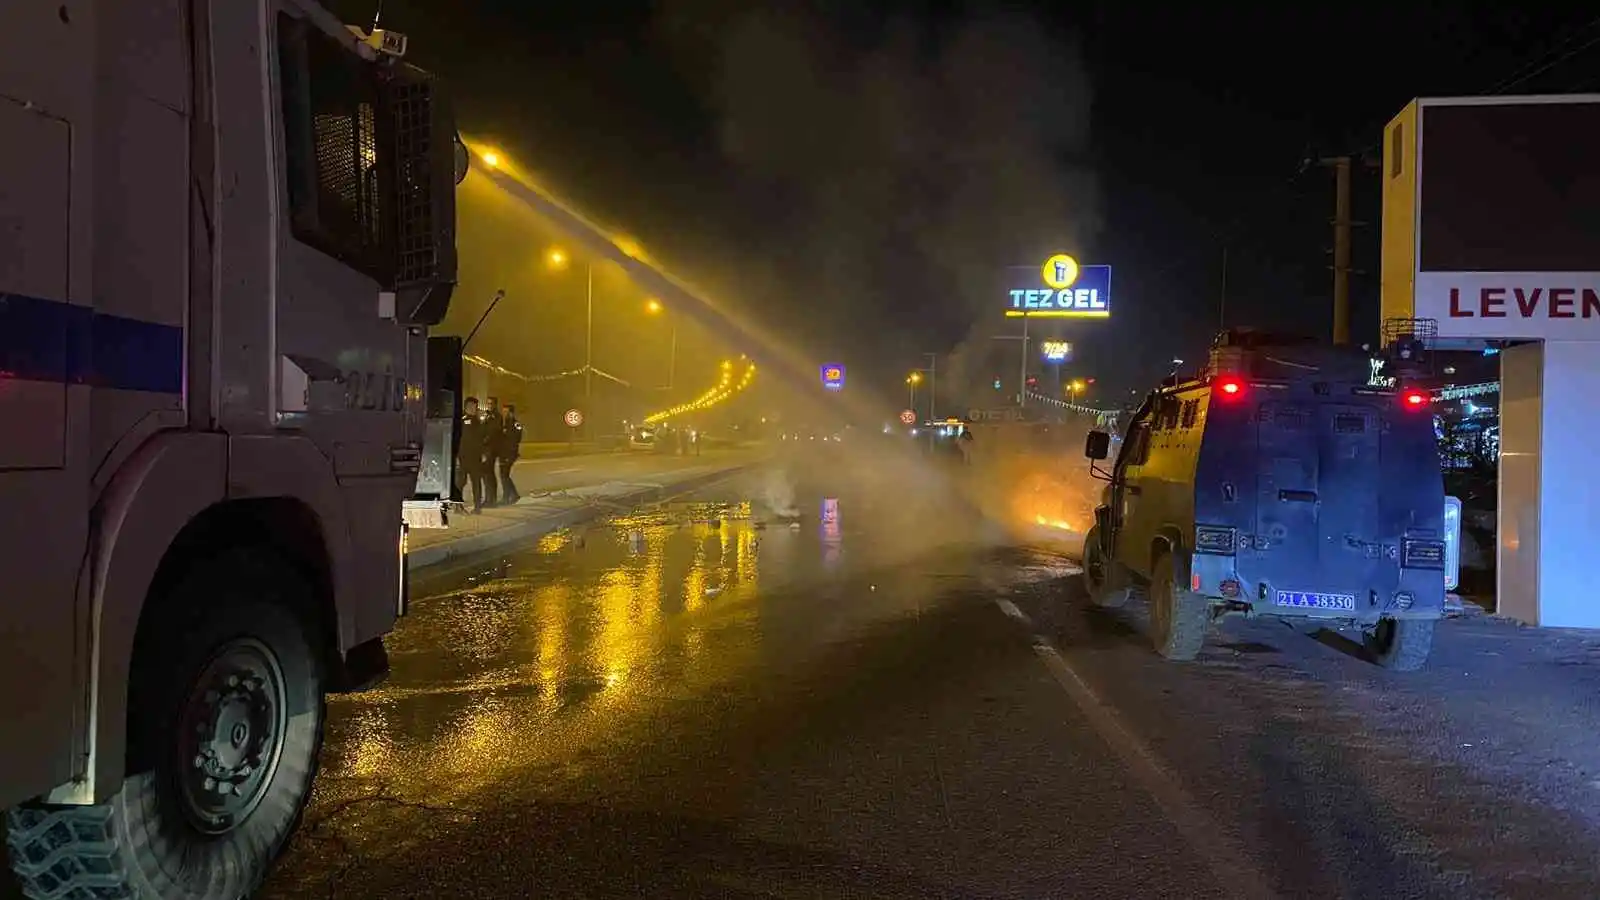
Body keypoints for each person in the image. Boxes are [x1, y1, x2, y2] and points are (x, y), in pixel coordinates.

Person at [457, 397, 489, 513]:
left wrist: (483, 452)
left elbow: (482, 437)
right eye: (472, 406)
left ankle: (477, 506)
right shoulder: (463, 419)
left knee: (476, 482)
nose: (474, 408)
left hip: (475, 457)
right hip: (464, 456)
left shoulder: (476, 420)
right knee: (461, 482)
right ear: (467, 407)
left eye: (475, 406)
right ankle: (458, 506)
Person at [497, 402, 523, 504]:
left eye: (506, 412)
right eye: (503, 411)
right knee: (504, 475)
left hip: (510, 454)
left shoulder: (515, 424)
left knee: (504, 475)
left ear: (511, 413)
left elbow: (515, 440)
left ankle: (507, 497)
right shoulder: (504, 423)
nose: (504, 413)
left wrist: (510, 454)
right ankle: (512, 495)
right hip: (503, 454)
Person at [480, 395, 503, 507]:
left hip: (491, 448)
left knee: (488, 473)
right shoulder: (486, 415)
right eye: (488, 403)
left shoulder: (497, 417)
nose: (489, 405)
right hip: (484, 448)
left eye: (491, 404)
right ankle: (488, 498)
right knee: (485, 473)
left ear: (495, 405)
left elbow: (494, 432)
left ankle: (492, 499)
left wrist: (485, 440)